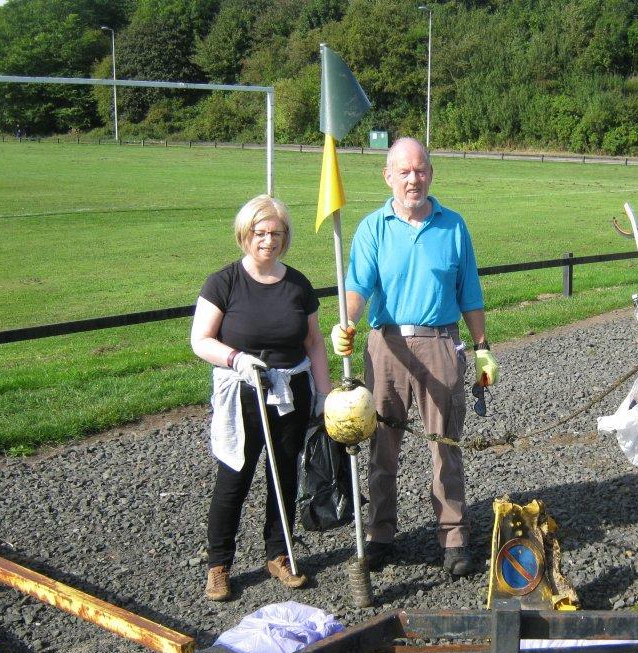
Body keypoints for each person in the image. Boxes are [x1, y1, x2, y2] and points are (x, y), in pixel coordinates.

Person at [330, 137, 498, 577]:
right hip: (386, 346)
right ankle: (381, 534)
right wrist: (344, 322)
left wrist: (481, 348)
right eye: (403, 172)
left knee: (446, 446)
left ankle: (454, 537)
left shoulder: (453, 225)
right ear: (388, 176)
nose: (412, 179)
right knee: (382, 447)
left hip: (442, 343)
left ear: (431, 173)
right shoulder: (373, 228)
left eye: (420, 170)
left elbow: (471, 294)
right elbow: (357, 288)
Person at [191, 194, 331, 601]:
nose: (268, 240)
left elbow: (314, 342)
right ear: (245, 234)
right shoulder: (224, 282)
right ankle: (219, 564)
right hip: (243, 394)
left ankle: (279, 553)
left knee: (285, 473)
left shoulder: (297, 284)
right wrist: (236, 359)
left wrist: (323, 393)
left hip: (291, 391)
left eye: (277, 233)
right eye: (260, 232)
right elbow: (200, 340)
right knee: (234, 477)